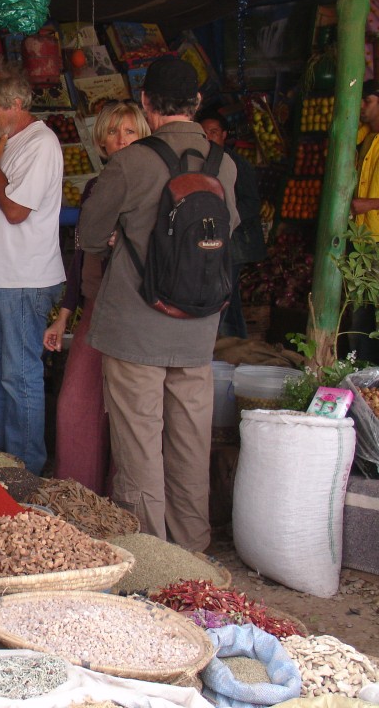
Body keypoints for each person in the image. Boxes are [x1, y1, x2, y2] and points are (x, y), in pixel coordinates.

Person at [78, 56, 239, 551]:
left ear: (146, 105)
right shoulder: (223, 164)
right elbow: (228, 228)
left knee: (140, 441)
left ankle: (150, 552)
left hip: (136, 325)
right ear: (195, 104)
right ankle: (192, 545)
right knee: (191, 438)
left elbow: (88, 232)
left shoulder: (132, 161)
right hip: (197, 325)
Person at [44, 101, 150, 495]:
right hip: (92, 311)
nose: (120, 140)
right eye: (112, 132)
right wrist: (64, 315)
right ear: (99, 141)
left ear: (144, 137)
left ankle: (120, 502)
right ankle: (78, 496)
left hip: (134, 315)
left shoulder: (152, 189)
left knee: (123, 413)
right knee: (75, 405)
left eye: (130, 132)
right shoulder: (93, 188)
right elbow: (79, 259)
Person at [0, 58, 65, 476]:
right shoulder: (6, 142)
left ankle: (25, 468)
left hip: (24, 280)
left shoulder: (40, 144)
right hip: (2, 279)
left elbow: (14, 211)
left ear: (17, 104)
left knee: (19, 376)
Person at [197, 108, 266, 338]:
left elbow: (252, 203)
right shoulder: (200, 163)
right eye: (203, 133)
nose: (209, 137)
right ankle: (238, 344)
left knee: (224, 295)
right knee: (231, 297)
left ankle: (222, 344)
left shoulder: (237, 164)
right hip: (220, 241)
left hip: (236, 243)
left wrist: (226, 218)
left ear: (224, 135)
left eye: (214, 132)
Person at [349, 79, 379, 363]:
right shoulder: (365, 137)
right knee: (360, 313)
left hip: (376, 241)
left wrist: (368, 204)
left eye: (366, 100)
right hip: (361, 241)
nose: (361, 107)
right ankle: (362, 372)